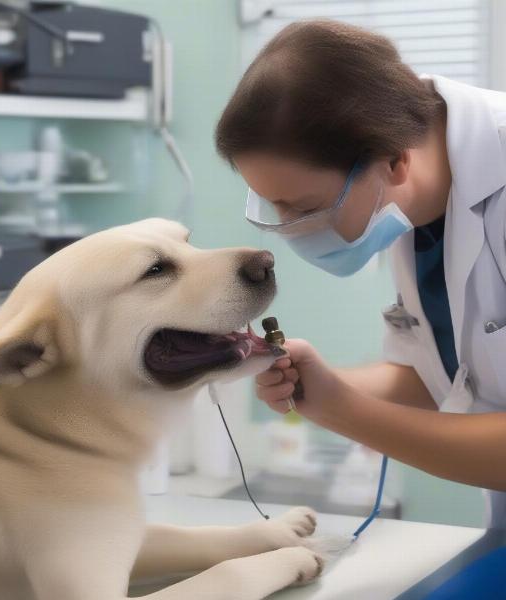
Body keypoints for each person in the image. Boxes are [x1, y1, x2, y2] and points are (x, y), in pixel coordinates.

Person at [215, 20, 506, 529]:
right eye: (275, 209)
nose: (291, 231)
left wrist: (345, 410)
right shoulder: (412, 203)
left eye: (304, 207)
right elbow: (439, 376)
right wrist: (316, 384)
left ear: (393, 159)